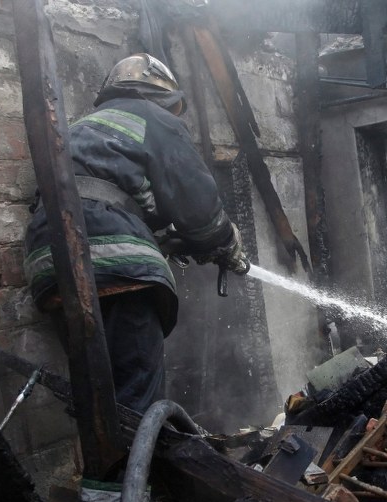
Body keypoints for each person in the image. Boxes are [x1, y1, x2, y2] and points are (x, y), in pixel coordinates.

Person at [23, 53, 249, 417]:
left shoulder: (80, 128)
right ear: (162, 98)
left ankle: (108, 468)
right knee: (135, 401)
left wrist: (160, 238)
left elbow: (97, 196)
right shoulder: (155, 119)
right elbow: (199, 209)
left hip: (46, 260)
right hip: (111, 260)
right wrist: (224, 242)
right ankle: (135, 472)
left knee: (101, 393)